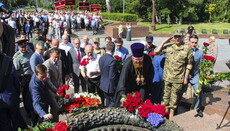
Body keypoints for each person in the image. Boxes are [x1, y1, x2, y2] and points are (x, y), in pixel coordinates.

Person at [154, 29, 193, 119]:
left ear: (182, 37)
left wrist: (186, 77)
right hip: (167, 77)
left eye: (179, 36)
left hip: (178, 78)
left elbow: (189, 64)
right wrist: (164, 41)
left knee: (174, 98)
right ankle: (164, 114)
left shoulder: (186, 48)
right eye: (175, 36)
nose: (177, 38)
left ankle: (171, 115)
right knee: (165, 97)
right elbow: (156, 52)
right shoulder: (169, 46)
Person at [0, 54, 24, 130]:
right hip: (11, 97)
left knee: (5, 123)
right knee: (16, 120)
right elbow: (16, 80)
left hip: (1, 101)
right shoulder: (8, 61)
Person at [13, 40, 33, 117]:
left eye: (24, 47)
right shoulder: (17, 57)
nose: (23, 49)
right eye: (21, 47)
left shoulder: (30, 52)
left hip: (32, 76)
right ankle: (29, 111)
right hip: (24, 78)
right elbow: (16, 69)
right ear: (18, 47)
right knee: (27, 96)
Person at [43, 48, 62, 122]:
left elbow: (60, 75)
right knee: (54, 107)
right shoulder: (47, 64)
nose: (57, 59)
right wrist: (56, 90)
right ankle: (53, 124)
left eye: (58, 57)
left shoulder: (60, 62)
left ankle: (56, 122)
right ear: (51, 55)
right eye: (55, 57)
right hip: (50, 90)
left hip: (58, 89)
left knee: (56, 109)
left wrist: (61, 88)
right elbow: (48, 80)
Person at [188, 35, 204, 117]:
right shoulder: (184, 50)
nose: (194, 44)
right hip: (183, 75)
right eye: (192, 42)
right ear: (188, 41)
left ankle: (198, 109)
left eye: (195, 43)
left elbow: (201, 65)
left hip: (195, 75)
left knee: (199, 90)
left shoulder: (200, 52)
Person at [99, 42, 119, 107]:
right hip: (110, 86)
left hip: (103, 84)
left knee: (107, 101)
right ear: (113, 50)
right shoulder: (112, 60)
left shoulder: (101, 58)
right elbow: (112, 76)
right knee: (112, 103)